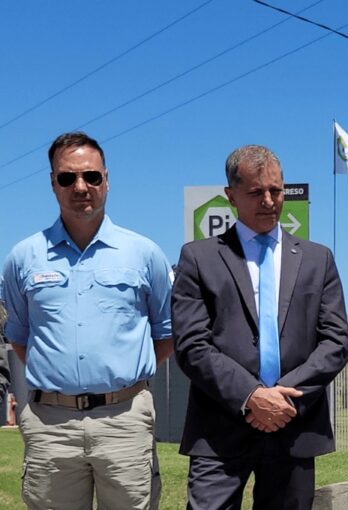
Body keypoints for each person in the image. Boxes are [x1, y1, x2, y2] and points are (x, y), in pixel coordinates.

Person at [1, 132, 174, 509]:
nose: (81, 187)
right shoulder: (23, 258)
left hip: (125, 420)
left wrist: (121, 378)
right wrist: (61, 380)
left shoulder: (144, 253)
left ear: (106, 180)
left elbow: (166, 333)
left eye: (91, 177)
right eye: (67, 178)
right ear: (53, 183)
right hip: (50, 425)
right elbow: (19, 336)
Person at [172, 144, 348, 510]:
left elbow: (335, 342)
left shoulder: (318, 259)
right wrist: (251, 396)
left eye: (276, 190)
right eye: (255, 192)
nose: (268, 201)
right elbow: (192, 345)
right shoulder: (198, 257)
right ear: (231, 196)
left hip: (294, 425)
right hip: (219, 429)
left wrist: (283, 397)